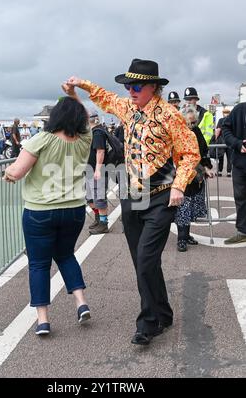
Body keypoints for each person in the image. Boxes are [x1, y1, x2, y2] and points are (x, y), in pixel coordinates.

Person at [66, 59, 201, 346]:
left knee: (145, 260)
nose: (130, 90)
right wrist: (81, 83)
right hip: (132, 195)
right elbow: (105, 97)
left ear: (154, 87)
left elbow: (191, 152)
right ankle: (163, 313)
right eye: (128, 85)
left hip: (162, 195)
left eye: (137, 86)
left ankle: (147, 324)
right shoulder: (127, 108)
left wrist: (179, 185)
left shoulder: (169, 115)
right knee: (143, 262)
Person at [4, 96, 92, 336]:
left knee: (39, 264)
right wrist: (73, 92)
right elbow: (83, 115)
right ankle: (81, 302)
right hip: (74, 210)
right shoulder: (85, 140)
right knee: (66, 256)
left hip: (40, 211)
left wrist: (7, 172)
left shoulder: (41, 140)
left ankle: (43, 320)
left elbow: (18, 171)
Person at [175, 105, 214, 252]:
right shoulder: (178, 133)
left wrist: (207, 168)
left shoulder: (196, 131)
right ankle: (181, 239)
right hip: (182, 175)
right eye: (189, 123)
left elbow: (204, 150)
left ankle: (187, 235)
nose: (192, 125)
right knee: (183, 207)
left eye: (194, 122)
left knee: (191, 208)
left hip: (196, 175)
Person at [222, 103, 246, 244]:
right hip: (240, 164)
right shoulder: (239, 109)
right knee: (241, 198)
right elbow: (226, 128)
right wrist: (237, 143)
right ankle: (243, 231)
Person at [86, 111, 109, 235]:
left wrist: (98, 169)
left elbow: (100, 151)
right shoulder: (94, 132)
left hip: (97, 170)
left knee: (99, 198)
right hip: (90, 170)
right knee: (90, 198)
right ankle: (98, 218)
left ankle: (103, 224)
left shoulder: (98, 132)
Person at [214, 109, 232, 177]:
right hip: (230, 141)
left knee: (220, 157)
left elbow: (218, 130)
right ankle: (229, 172)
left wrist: (215, 138)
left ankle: (219, 171)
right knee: (229, 157)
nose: (225, 114)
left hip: (222, 141)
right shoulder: (232, 119)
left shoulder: (221, 120)